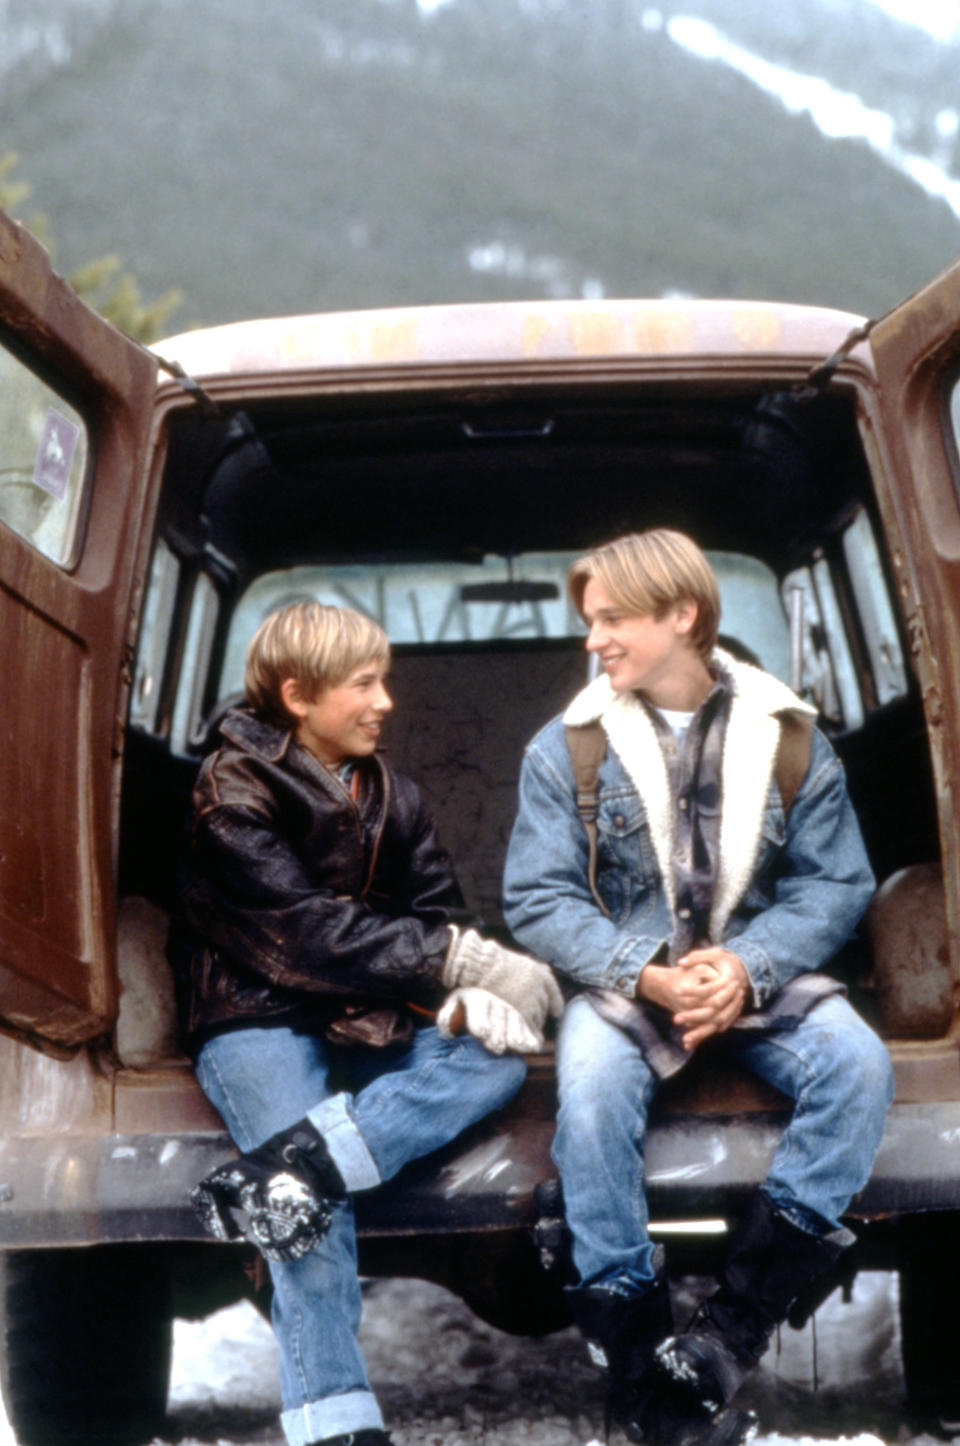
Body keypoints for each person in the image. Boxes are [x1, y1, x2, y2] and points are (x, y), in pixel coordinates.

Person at [502, 529, 894, 1446]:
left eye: (611, 620)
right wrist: (645, 973)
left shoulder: (791, 736)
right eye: (587, 621)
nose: (591, 641)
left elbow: (835, 885)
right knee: (591, 1095)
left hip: (754, 975)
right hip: (624, 982)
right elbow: (538, 895)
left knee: (860, 1066)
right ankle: (642, 1375)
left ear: (681, 614)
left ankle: (727, 1334)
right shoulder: (567, 747)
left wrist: (744, 966)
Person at [172, 600, 563, 1446]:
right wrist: (452, 960)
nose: (385, 700)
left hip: (373, 1015)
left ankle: (307, 1162)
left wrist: (463, 998)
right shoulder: (228, 789)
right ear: (297, 695)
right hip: (255, 1016)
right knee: (305, 1216)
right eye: (363, 684)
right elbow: (302, 934)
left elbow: (436, 913)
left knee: (494, 1061)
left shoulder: (394, 792)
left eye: (382, 680)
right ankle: (336, 1426)